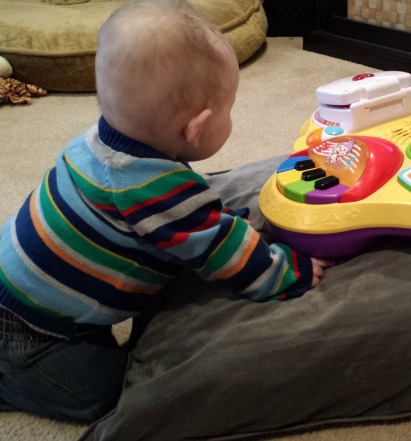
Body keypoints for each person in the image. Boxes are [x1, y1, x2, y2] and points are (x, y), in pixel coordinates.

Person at [0, 0, 331, 423]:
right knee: (101, 396)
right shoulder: (154, 192)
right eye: (229, 110)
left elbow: (199, 218)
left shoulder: (96, 144)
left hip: (18, 285)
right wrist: (290, 270)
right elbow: (224, 252)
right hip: (34, 332)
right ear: (196, 127)